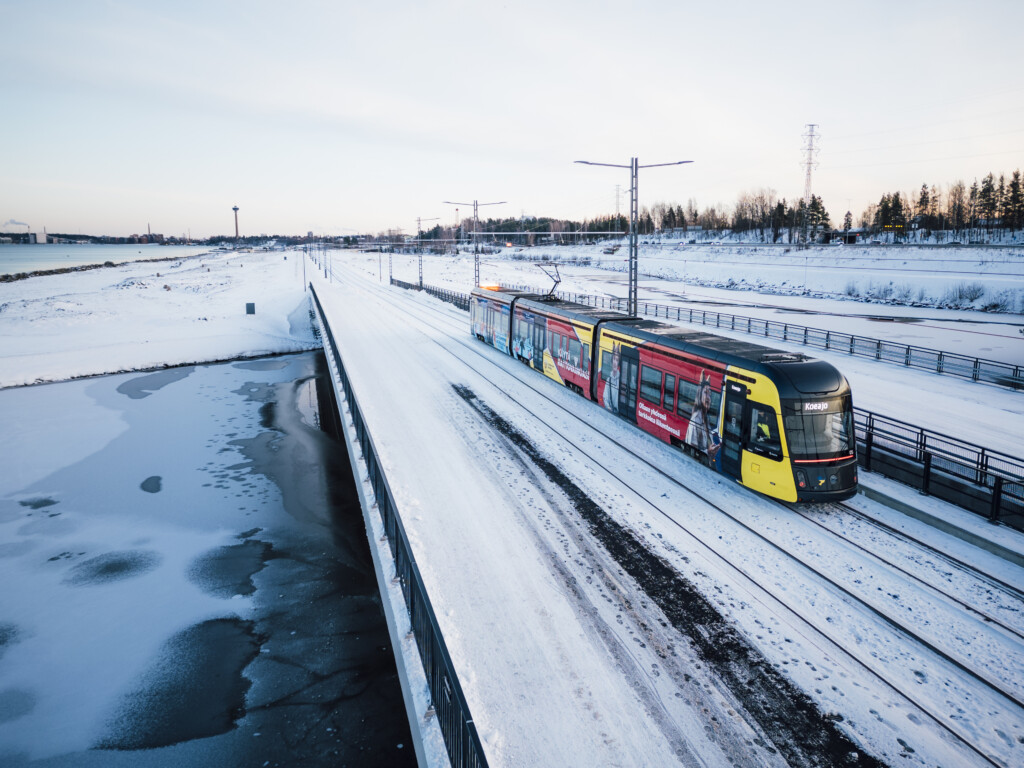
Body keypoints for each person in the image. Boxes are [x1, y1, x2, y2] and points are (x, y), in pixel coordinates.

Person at [685, 371, 721, 465]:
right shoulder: (696, 419)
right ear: (699, 394)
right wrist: (708, 451)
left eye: (710, 394)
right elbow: (691, 451)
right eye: (706, 392)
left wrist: (712, 451)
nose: (708, 397)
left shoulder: (706, 419)